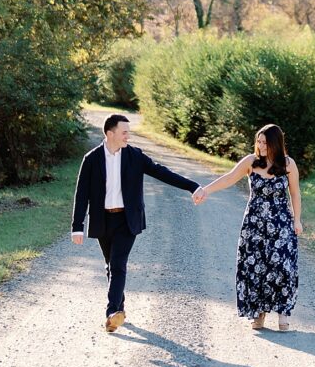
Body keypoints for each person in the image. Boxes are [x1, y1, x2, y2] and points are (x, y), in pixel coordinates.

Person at [71, 114, 207, 332]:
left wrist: (193, 186)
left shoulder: (135, 156)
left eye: (129, 132)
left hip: (127, 220)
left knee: (118, 264)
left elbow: (162, 172)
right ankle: (120, 309)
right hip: (103, 219)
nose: (128, 136)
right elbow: (82, 194)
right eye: (124, 132)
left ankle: (111, 312)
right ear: (110, 133)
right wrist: (77, 226)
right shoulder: (92, 159)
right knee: (110, 265)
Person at [197, 124, 301, 331]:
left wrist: (297, 220)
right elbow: (228, 178)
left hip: (281, 223)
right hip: (253, 224)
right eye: (259, 142)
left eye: (265, 142)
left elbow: (295, 194)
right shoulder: (250, 162)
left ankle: (282, 314)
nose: (261, 146)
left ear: (275, 144)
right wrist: (205, 190)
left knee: (282, 266)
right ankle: (258, 313)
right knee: (254, 267)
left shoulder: (288, 164)